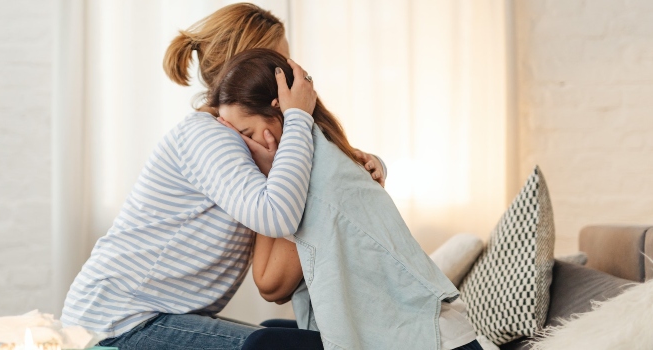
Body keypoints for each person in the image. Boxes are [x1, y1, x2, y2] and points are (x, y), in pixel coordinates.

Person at [62, 3, 382, 349]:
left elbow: (302, 186)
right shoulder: (209, 137)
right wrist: (299, 118)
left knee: (297, 339)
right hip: (118, 322)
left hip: (156, 316)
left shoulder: (245, 140)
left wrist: (366, 162)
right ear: (247, 69)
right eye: (281, 68)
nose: (291, 79)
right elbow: (277, 215)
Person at [214, 49, 483, 350]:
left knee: (263, 343)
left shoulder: (316, 173)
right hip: (409, 332)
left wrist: (267, 176)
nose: (242, 149)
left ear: (279, 111)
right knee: (269, 329)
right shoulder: (319, 152)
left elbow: (271, 284)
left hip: (432, 341)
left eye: (245, 133)